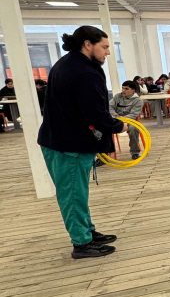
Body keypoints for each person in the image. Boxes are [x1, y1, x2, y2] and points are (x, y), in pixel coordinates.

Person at [37, 25, 127, 258]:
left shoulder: (70, 63)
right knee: (73, 195)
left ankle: (87, 231)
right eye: (105, 47)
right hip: (68, 146)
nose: (108, 52)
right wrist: (119, 126)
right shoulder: (84, 72)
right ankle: (82, 243)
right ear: (88, 44)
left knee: (78, 192)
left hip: (64, 140)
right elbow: (95, 112)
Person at [109, 80, 144, 159]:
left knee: (133, 128)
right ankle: (105, 154)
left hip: (130, 121)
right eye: (122, 88)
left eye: (126, 89)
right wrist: (115, 116)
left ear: (133, 90)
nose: (123, 91)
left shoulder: (138, 101)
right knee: (103, 127)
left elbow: (134, 114)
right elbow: (109, 106)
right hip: (116, 119)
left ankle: (135, 152)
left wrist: (122, 120)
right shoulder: (118, 96)